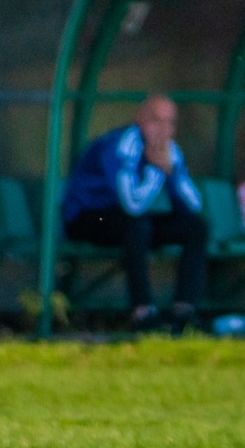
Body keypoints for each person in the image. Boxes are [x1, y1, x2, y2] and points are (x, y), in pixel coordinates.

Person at [61, 94, 207, 333]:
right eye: (156, 121)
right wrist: (156, 171)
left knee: (195, 226)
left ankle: (184, 312)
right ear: (139, 119)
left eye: (169, 122)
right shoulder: (122, 144)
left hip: (129, 219)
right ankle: (143, 312)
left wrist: (172, 172)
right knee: (136, 225)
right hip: (88, 218)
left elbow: (193, 205)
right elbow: (132, 204)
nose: (163, 129)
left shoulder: (170, 150)